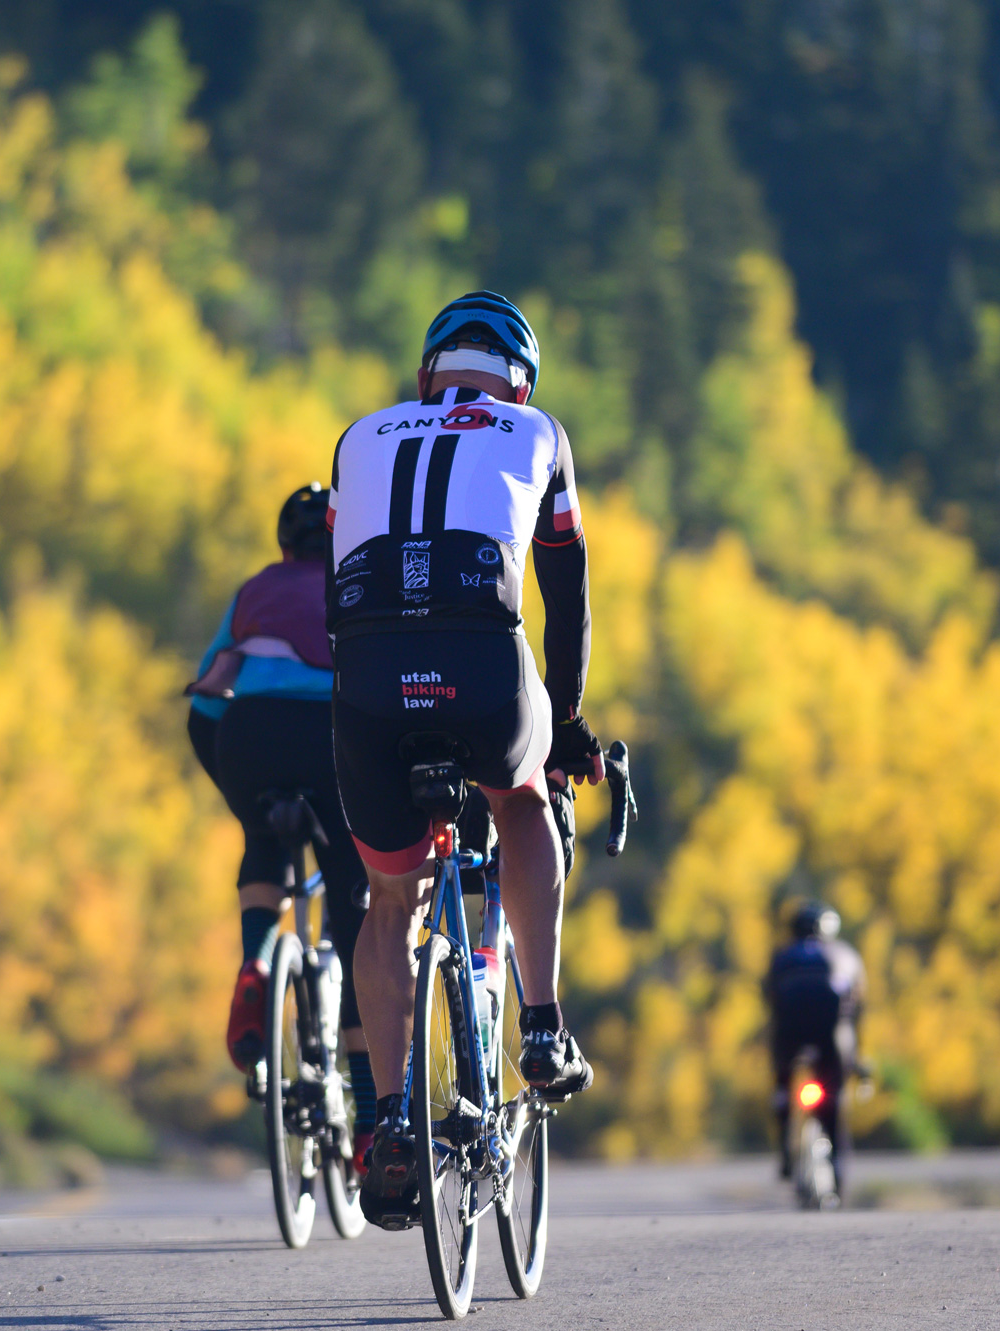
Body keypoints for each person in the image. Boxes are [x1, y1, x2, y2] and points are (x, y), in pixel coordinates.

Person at [325, 291, 603, 1225]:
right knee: (523, 801)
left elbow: (345, 577)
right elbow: (566, 599)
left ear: (424, 378)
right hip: (483, 665)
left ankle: (394, 1114)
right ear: (522, 384)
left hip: (367, 680)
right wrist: (563, 727)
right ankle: (542, 1025)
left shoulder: (359, 434)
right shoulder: (538, 431)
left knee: (388, 903)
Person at [186, 484, 376, 1149]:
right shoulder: (362, 581)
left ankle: (257, 963)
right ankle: (372, 1125)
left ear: (283, 545)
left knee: (261, 831)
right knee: (356, 917)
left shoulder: (253, 590)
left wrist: (242, 797)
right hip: (330, 736)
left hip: (247, 732)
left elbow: (205, 703)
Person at [764, 900, 867, 1191]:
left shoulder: (782, 956)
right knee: (834, 1092)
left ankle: (786, 1144)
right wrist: (859, 1058)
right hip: (833, 1033)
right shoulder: (846, 954)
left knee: (783, 1081)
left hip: (789, 1032)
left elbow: (769, 998)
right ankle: (835, 1159)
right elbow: (859, 1007)